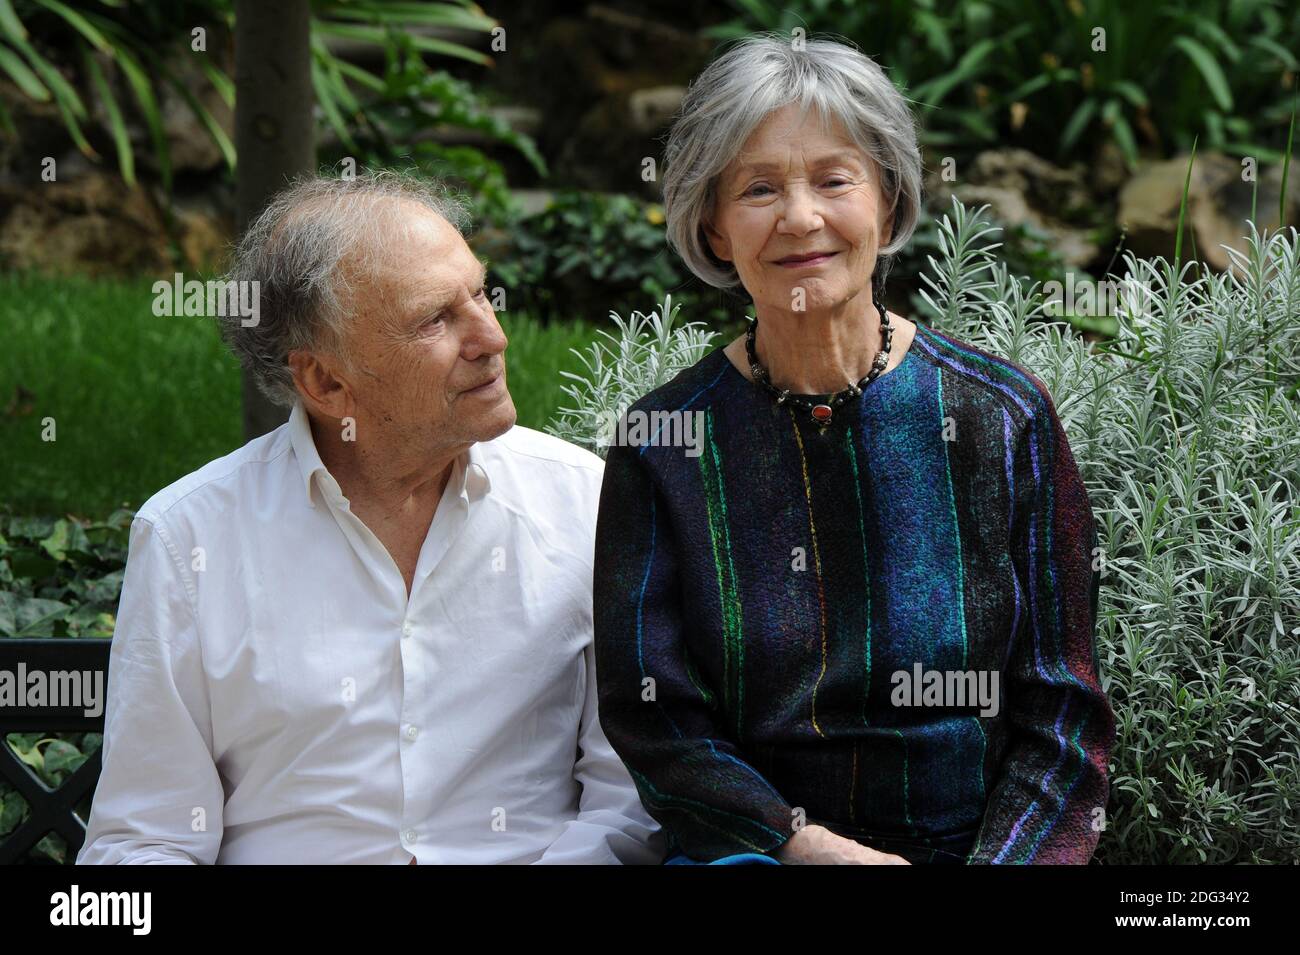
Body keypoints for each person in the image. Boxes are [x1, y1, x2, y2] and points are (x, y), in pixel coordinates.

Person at [593, 34, 1115, 865]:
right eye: (759, 188)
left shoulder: (998, 414)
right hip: (760, 855)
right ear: (715, 228)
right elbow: (654, 720)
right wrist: (800, 845)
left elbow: (1064, 716)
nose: (801, 217)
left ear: (887, 200)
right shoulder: (664, 443)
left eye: (835, 181)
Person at [78, 172, 662, 865]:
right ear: (326, 381)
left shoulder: (583, 501)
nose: (492, 336)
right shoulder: (190, 538)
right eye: (435, 319)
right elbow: (144, 839)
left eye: (479, 293)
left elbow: (626, 800)